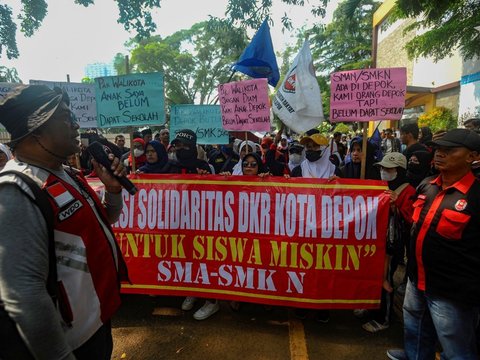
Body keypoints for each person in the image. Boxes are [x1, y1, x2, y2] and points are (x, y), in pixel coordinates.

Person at [0, 85, 128, 359]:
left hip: (96, 324)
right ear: (37, 130)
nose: (76, 124)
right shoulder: (15, 190)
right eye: (66, 118)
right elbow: (24, 293)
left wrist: (113, 191)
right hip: (72, 345)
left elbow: (101, 222)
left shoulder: (66, 173)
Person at [388, 128, 480, 360]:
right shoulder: (427, 185)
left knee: (456, 349)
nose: (440, 154)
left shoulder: (477, 196)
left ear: (472, 156)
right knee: (416, 333)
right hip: (415, 281)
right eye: (439, 149)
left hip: (451, 292)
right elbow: (413, 223)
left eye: (449, 151)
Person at [358, 153, 416, 334]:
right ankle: (371, 305)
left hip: (391, 245)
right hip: (375, 240)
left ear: (399, 171)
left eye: (388, 169)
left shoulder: (408, 192)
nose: (383, 171)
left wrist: (395, 205)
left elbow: (411, 220)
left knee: (385, 280)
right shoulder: (381, 186)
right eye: (382, 168)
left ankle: (384, 318)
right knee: (372, 276)